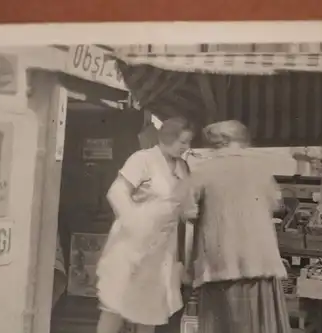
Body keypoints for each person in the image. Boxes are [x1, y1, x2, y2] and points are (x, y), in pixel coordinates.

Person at [177, 120, 291, 333]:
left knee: (224, 325)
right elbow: (276, 205)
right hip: (261, 263)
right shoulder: (262, 168)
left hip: (221, 264)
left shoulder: (203, 170)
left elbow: (186, 212)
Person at [96, 117, 194, 333]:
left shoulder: (183, 168)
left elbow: (186, 205)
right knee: (117, 304)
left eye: (188, 142)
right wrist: (135, 223)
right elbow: (116, 192)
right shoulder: (142, 160)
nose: (186, 147)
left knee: (150, 308)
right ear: (167, 138)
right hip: (131, 243)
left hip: (162, 249)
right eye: (182, 142)